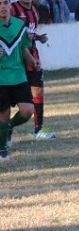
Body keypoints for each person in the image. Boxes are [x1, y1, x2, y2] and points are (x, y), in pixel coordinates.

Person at [11, 0, 57, 141]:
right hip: (15, 60)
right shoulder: (12, 9)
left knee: (38, 91)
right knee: (10, 99)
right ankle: (6, 127)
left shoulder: (35, 10)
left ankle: (39, 130)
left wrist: (38, 37)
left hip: (32, 57)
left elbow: (29, 34)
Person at [0, 0, 39, 162]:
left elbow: (23, 48)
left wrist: (33, 62)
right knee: (3, 115)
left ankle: (8, 128)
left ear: (10, 6)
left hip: (19, 75)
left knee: (27, 111)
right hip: (1, 78)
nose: (2, 6)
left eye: (5, 3)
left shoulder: (19, 25)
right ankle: (3, 151)